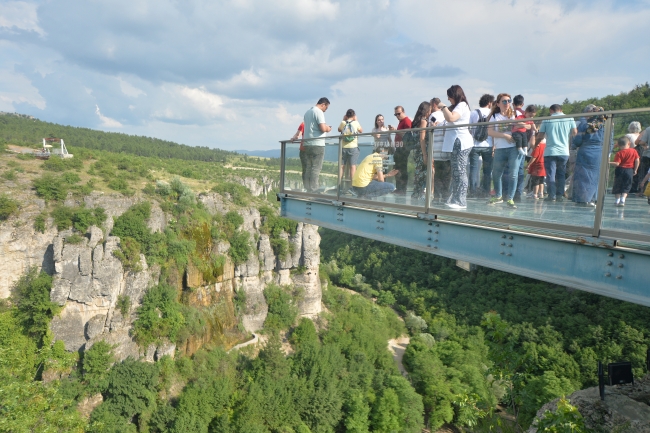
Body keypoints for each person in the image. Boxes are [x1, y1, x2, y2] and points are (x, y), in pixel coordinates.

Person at [438, 85, 473, 209]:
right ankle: (454, 198)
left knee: (460, 171)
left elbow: (451, 118)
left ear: (455, 95)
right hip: (456, 143)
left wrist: (443, 107)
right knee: (456, 172)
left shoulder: (462, 105)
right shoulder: (458, 106)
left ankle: (461, 201)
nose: (448, 99)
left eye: (450, 96)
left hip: (461, 142)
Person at [535, 104, 577, 202]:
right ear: (561, 110)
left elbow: (540, 135)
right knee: (561, 174)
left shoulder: (547, 119)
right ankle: (559, 195)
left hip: (550, 151)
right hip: (564, 152)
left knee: (550, 174)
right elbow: (575, 132)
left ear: (551, 110)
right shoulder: (569, 118)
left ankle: (551, 195)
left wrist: (534, 145)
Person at [487, 93, 520, 208]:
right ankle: (498, 196)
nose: (507, 103)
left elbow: (529, 126)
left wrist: (522, 126)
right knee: (496, 173)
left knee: (513, 174)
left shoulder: (515, 114)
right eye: (504, 101)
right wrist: (504, 135)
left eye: (509, 101)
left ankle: (510, 198)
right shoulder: (495, 116)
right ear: (498, 103)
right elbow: (489, 132)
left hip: (513, 148)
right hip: (500, 148)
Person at [572, 106, 606, 206]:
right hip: (600, 152)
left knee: (583, 175)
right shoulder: (606, 125)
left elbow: (577, 141)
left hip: (585, 151)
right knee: (597, 176)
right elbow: (610, 141)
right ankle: (594, 198)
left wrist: (573, 146)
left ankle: (583, 199)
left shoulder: (585, 125)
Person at [302, 97, 332, 193]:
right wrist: (328, 128)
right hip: (317, 143)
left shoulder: (307, 112)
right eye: (326, 108)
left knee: (308, 167)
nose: (325, 110)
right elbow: (322, 128)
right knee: (316, 167)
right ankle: (314, 189)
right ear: (323, 104)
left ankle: (307, 188)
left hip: (307, 143)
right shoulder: (319, 112)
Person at [469, 94, 495, 198]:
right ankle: (485, 192)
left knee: (474, 169)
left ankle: (473, 191)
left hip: (475, 144)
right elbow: (494, 129)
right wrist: (494, 145)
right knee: (487, 171)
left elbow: (469, 128)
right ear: (489, 103)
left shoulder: (473, 113)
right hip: (488, 145)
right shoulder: (492, 113)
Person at [430, 98, 451, 202]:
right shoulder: (446, 115)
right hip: (446, 148)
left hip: (436, 149)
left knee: (438, 174)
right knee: (447, 175)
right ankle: (445, 195)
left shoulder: (433, 116)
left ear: (434, 105)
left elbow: (430, 131)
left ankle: (437, 196)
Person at [410, 101, 433, 201]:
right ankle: (418, 195)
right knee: (424, 173)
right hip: (422, 150)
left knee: (418, 173)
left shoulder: (416, 121)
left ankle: (416, 195)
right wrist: (425, 154)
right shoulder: (423, 121)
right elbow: (422, 138)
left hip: (416, 150)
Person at [609, 136, 639, 206]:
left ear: (618, 145)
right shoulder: (633, 151)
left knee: (618, 185)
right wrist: (635, 169)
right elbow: (637, 160)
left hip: (620, 170)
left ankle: (617, 200)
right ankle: (623, 199)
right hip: (629, 170)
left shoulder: (619, 153)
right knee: (627, 185)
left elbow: (617, 164)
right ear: (629, 143)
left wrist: (608, 162)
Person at [390, 106, 412, 194]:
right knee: (398, 168)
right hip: (399, 147)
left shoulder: (406, 121)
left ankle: (402, 189)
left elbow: (408, 135)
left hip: (403, 148)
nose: (397, 116)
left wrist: (396, 130)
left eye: (398, 114)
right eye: (395, 114)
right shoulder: (401, 122)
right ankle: (399, 188)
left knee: (401, 168)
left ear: (403, 112)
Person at [338, 109, 363, 183]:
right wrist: (357, 120)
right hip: (353, 147)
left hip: (343, 147)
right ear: (354, 115)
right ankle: (353, 186)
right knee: (353, 166)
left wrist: (343, 120)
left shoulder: (343, 122)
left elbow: (339, 130)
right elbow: (361, 131)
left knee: (342, 166)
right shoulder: (356, 123)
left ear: (346, 115)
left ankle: (339, 184)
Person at [291, 122, 306, 188]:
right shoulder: (317, 124)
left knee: (305, 169)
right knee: (313, 170)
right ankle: (312, 188)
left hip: (303, 149)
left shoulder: (303, 124)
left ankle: (307, 187)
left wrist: (293, 138)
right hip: (313, 149)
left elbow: (298, 134)